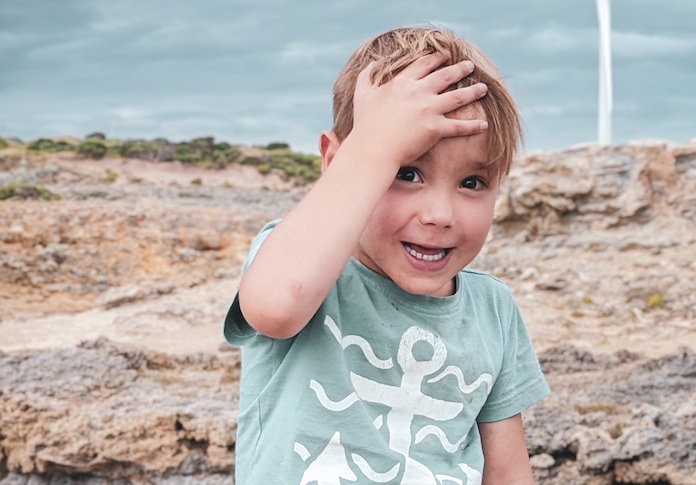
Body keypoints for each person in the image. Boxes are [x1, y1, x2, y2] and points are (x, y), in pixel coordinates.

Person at [224, 26, 549, 484]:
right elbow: (277, 307)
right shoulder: (302, 262)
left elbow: (508, 470)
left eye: (472, 183)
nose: (440, 215)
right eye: (406, 172)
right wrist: (375, 146)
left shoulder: (493, 311)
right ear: (339, 163)